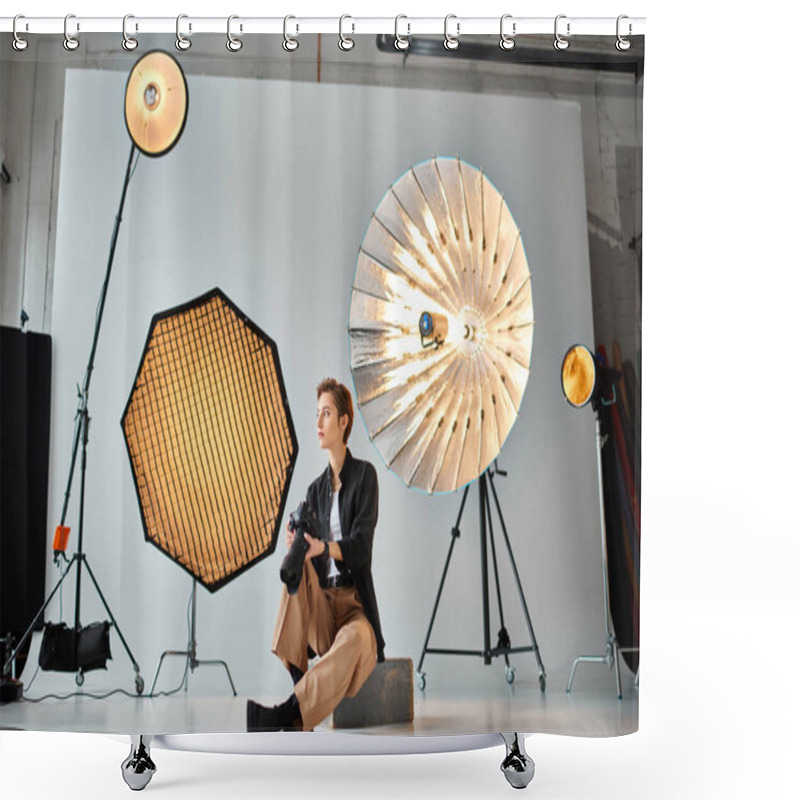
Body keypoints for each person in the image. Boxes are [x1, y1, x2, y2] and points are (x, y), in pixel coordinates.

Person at [247, 378, 385, 732]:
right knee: (295, 570)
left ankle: (292, 710)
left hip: (356, 611)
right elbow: (308, 563)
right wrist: (300, 547)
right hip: (323, 610)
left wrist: (325, 547)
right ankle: (299, 682)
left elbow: (361, 551)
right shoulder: (314, 492)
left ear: (344, 422)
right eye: (317, 415)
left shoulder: (365, 477)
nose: (319, 423)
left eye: (326, 414)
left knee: (354, 640)